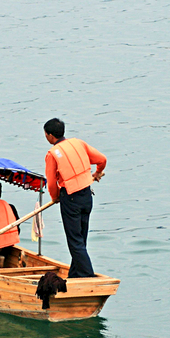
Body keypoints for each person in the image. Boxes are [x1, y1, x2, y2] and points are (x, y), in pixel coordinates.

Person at [43, 118, 106, 278]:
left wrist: (55, 197)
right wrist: (97, 172)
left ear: (50, 135)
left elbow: (51, 183)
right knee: (80, 240)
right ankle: (75, 275)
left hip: (70, 198)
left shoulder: (52, 154)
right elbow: (102, 159)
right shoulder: (78, 143)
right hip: (86, 195)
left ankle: (88, 277)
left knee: (75, 241)